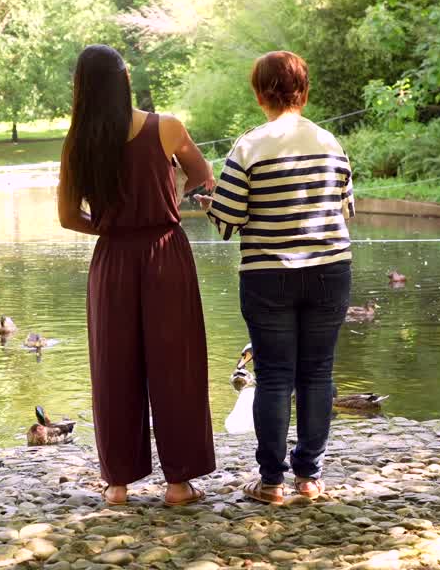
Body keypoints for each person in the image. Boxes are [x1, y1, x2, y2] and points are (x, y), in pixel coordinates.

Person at [57, 44, 217, 507]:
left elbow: (68, 217)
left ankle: (118, 485)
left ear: (82, 89)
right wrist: (166, 198)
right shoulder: (165, 127)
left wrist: (109, 227)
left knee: (114, 368)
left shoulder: (78, 143)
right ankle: (178, 483)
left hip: (112, 261)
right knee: (177, 366)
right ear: (125, 78)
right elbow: (202, 175)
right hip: (165, 253)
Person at [195, 50, 355, 505]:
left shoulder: (248, 146)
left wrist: (209, 201)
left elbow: (227, 222)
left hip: (268, 276)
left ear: (260, 94)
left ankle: (271, 482)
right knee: (317, 372)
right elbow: (346, 210)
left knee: (274, 376)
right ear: (303, 92)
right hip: (330, 271)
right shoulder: (331, 143)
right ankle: (309, 476)